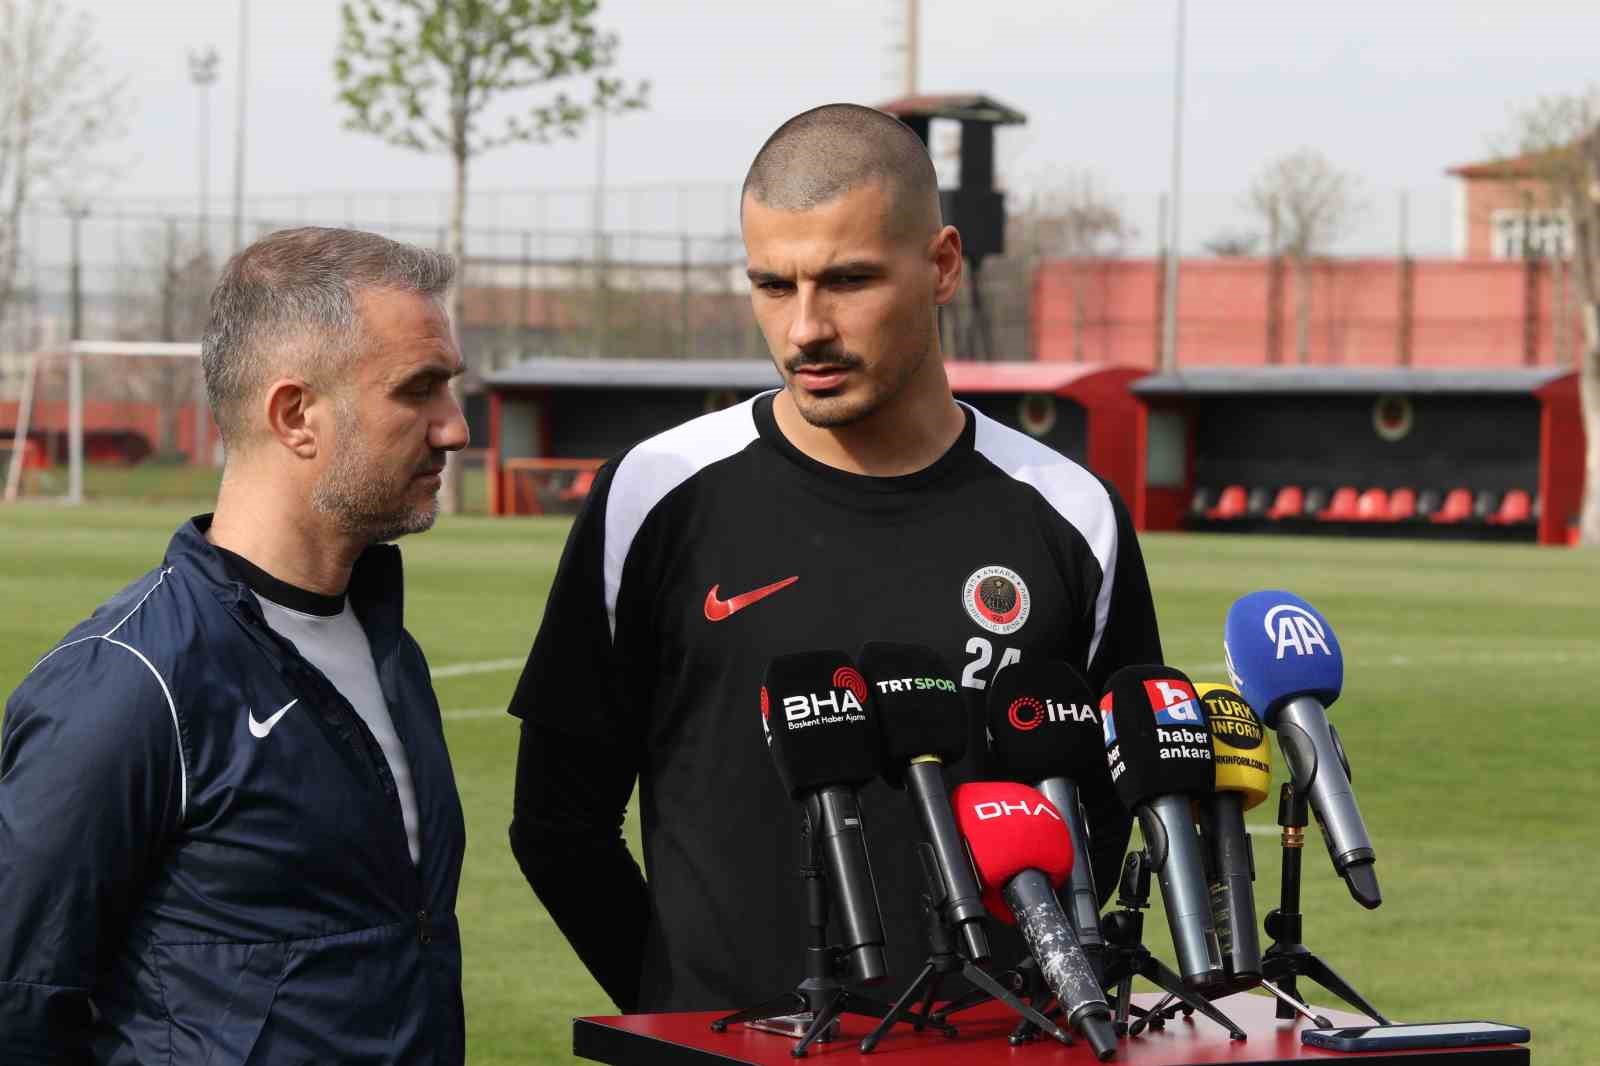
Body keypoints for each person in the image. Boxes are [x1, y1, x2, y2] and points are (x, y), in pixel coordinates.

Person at [508, 104, 1162, 1013]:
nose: (806, 328)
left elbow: (1105, 817)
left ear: (940, 265)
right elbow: (558, 826)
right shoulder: (651, 496)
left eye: (847, 281)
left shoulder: (1070, 514)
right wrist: (685, 1021)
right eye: (773, 285)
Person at [0, 227, 470, 1064]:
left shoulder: (390, 651)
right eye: (419, 390)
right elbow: (19, 1002)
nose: (454, 429)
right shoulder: (128, 686)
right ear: (295, 415)